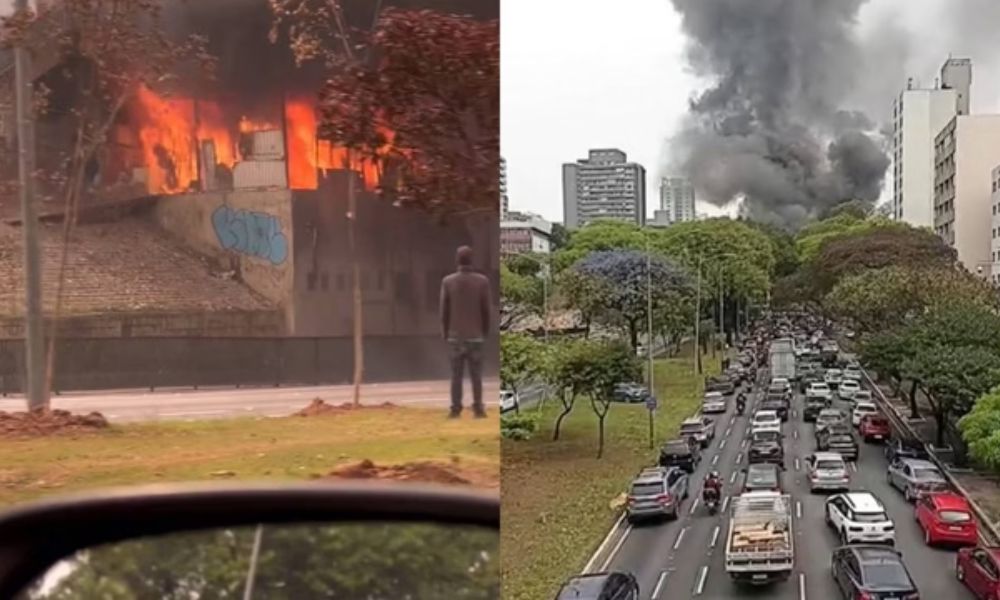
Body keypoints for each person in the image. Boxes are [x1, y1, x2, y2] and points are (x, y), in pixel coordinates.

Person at [440, 245, 492, 419]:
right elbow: (486, 310)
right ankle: (478, 408)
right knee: (476, 375)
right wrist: (484, 331)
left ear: (457, 260)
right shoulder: (482, 281)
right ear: (472, 260)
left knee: (456, 376)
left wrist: (445, 332)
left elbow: (444, 311)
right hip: (476, 335)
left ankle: (455, 409)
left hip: (455, 336)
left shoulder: (448, 281)